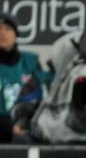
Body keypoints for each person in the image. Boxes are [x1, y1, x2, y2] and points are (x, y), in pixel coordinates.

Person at [0, 12, 50, 143]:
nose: (2, 33)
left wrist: (22, 124)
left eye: (7, 29)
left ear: (16, 34)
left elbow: (43, 98)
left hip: (23, 129)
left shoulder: (30, 61)